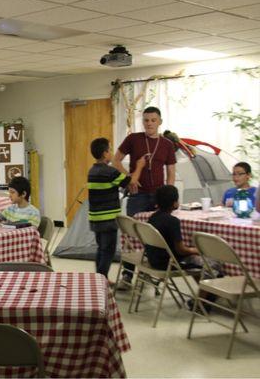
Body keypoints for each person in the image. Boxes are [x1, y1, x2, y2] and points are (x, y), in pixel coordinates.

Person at [112, 106, 177, 287]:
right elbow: (115, 160)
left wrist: (168, 196)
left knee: (157, 235)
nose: (149, 123)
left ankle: (152, 271)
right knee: (132, 234)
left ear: (160, 122)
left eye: (153, 120)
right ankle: (127, 275)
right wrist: (128, 178)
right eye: (146, 120)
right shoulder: (133, 139)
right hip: (137, 195)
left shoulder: (167, 144)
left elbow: (171, 172)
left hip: (158, 198)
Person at [146, 185, 222, 311]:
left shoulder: (152, 218)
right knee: (213, 264)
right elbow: (181, 250)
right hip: (170, 262)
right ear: (175, 203)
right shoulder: (173, 221)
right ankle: (201, 302)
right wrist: (198, 250)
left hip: (154, 259)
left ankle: (207, 295)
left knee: (198, 262)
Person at [88, 138, 146, 279]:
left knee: (101, 249)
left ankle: (100, 278)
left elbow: (119, 182)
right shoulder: (110, 171)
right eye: (110, 149)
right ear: (105, 153)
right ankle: (102, 280)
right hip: (108, 220)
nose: (112, 153)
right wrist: (140, 166)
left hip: (95, 219)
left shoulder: (92, 170)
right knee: (108, 250)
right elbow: (130, 182)